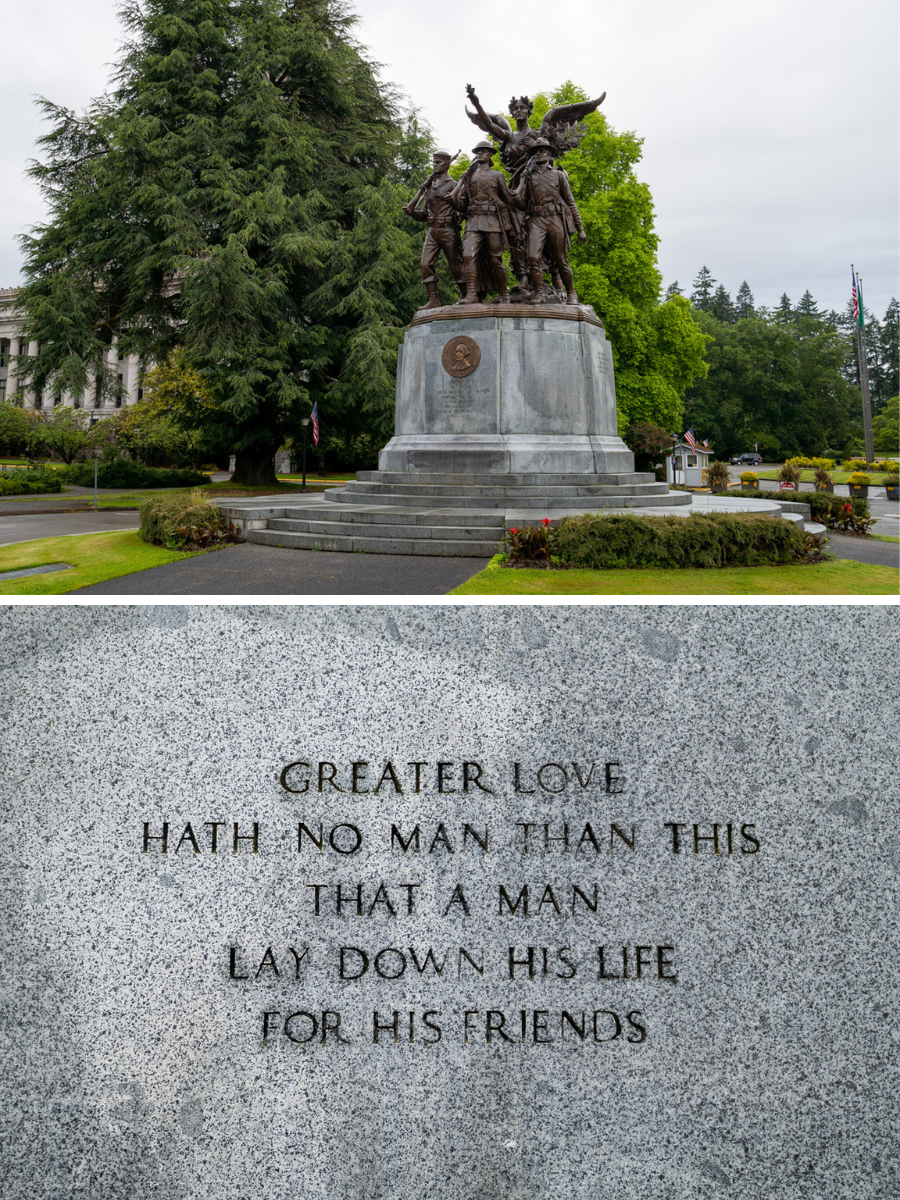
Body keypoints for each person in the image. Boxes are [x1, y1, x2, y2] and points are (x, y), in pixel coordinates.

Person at [515, 138, 586, 305]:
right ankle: (539, 293)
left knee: (561, 259)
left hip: (554, 219)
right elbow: (524, 205)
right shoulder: (527, 177)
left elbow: (570, 202)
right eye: (537, 151)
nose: (540, 153)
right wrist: (517, 201)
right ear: (532, 155)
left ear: (549, 154)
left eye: (543, 150)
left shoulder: (558, 175)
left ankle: (571, 293)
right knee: (532, 258)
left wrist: (580, 228)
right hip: (535, 220)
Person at [449, 141, 517, 305]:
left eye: (484, 151)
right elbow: (463, 205)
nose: (480, 154)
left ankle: (504, 294)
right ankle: (472, 294)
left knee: (495, 260)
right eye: (478, 151)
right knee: (468, 255)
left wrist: (514, 227)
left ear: (490, 155)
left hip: (493, 222)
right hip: (473, 221)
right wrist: (453, 202)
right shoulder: (468, 178)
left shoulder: (497, 176)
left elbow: (508, 202)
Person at [403, 149, 465, 308]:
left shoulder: (453, 185)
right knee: (425, 264)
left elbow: (463, 207)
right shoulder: (430, 187)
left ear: (446, 165)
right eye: (433, 162)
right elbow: (424, 214)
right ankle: (433, 300)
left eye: (438, 162)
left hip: (449, 230)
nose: (434, 165)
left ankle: (465, 296)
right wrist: (412, 213)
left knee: (456, 266)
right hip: (433, 231)